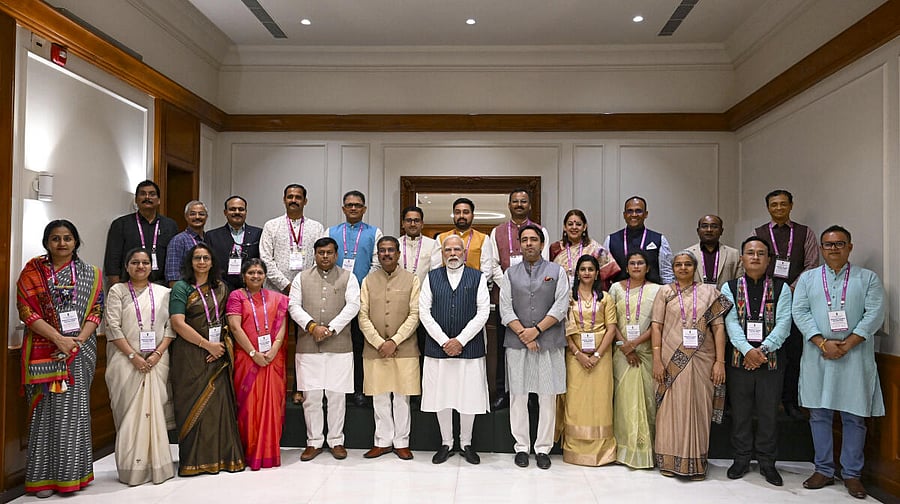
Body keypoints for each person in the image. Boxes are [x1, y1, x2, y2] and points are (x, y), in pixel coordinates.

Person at [792, 225, 885, 500]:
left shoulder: (867, 278)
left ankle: (852, 474)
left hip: (854, 355)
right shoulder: (808, 279)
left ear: (850, 247)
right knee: (819, 414)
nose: (833, 248)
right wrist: (822, 342)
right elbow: (800, 311)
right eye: (828, 245)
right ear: (821, 249)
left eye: (839, 243)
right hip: (817, 353)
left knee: (854, 416)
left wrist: (851, 342)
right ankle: (823, 468)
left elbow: (875, 313)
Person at [16, 220, 104, 498]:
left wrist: (76, 340)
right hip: (44, 351)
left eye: (68, 238)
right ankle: (42, 480)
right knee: (44, 415)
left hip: (80, 351)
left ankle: (72, 477)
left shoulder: (90, 273)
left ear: (76, 242)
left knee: (74, 414)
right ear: (47, 242)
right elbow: (26, 311)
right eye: (56, 238)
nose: (62, 243)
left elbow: (96, 311)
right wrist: (59, 339)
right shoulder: (33, 272)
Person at [651, 250, 731, 480]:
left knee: (699, 408)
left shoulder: (709, 292)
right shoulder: (664, 292)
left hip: (702, 359)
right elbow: (656, 326)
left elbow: (718, 328)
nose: (683, 268)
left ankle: (696, 462)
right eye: (678, 264)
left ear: (695, 268)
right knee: (669, 409)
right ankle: (668, 459)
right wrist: (657, 360)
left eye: (687, 264)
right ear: (673, 268)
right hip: (670, 359)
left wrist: (720, 361)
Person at [168, 243, 245, 476]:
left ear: (213, 262)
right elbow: (177, 323)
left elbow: (227, 320)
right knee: (191, 407)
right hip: (190, 355)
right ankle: (193, 461)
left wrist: (220, 346)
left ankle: (223, 458)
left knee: (219, 407)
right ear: (190, 262)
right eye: (197, 258)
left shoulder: (221, 287)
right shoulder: (181, 288)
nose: (201, 262)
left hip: (218, 353)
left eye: (206, 258)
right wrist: (206, 344)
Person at [721, 237, 792, 486]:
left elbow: (784, 323)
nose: (755, 257)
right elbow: (730, 323)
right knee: (740, 412)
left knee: (768, 413)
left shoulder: (782, 288)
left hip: (771, 362)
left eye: (761, 253)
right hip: (739, 361)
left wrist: (761, 350)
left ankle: (767, 462)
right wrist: (746, 351)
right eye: (750, 253)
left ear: (769, 259)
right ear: (741, 258)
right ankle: (740, 459)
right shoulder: (729, 287)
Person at [105, 248, 175, 486]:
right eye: (135, 262)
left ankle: (157, 467)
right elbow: (113, 327)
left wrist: (156, 354)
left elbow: (170, 328)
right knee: (128, 415)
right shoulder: (118, 291)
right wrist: (133, 356)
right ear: (127, 267)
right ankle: (130, 471)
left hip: (157, 361)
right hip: (125, 362)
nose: (140, 266)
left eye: (145, 262)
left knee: (153, 414)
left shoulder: (164, 293)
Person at [500, 224, 569, 470]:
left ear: (541, 243)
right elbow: (505, 309)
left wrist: (536, 331)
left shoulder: (557, 271)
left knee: (547, 397)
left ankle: (542, 448)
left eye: (534, 239)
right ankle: (521, 447)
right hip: (517, 344)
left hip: (548, 343)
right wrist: (524, 334)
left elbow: (561, 307)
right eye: (525, 239)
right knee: (518, 397)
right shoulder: (509, 273)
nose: (529, 243)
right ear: (520, 244)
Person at [419, 234, 490, 465]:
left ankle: (466, 442)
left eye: (457, 250)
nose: (452, 254)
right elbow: (424, 312)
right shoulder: (431, 278)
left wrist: (460, 340)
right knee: (442, 396)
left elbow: (483, 312)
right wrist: (443, 341)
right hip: (438, 349)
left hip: (469, 348)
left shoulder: (477, 277)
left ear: (464, 253)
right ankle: (446, 442)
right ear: (442, 253)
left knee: (468, 396)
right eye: (448, 250)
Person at [288, 237, 361, 462]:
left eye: (329, 252)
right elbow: (293, 305)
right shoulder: (301, 278)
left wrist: (330, 328)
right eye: (321, 253)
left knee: (336, 395)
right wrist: (312, 326)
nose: (325, 257)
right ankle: (314, 441)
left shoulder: (349, 277)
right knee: (312, 396)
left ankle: (336, 440)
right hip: (308, 345)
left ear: (336, 254)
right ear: (315, 254)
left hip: (339, 344)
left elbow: (354, 305)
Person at [754, 189, 819, 418]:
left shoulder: (805, 233)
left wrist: (791, 289)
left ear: (791, 205)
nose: (779, 208)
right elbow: (755, 263)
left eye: (783, 204)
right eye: (774, 205)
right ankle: (766, 402)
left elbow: (812, 264)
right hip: (766, 300)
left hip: (798, 299)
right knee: (768, 349)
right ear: (768, 208)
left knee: (793, 352)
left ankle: (790, 401)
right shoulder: (760, 233)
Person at [259, 184, 325, 405]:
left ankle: (300, 387)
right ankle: (274, 387)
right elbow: (265, 259)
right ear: (284, 199)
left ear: (305, 201)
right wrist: (286, 285)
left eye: (298, 197)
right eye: (290, 197)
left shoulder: (316, 228)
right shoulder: (272, 226)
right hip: (275, 293)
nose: (294, 200)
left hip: (306, 294)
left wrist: (300, 287)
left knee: (304, 344)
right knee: (276, 340)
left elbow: (321, 257)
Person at [359, 236, 421, 461]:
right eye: (382, 251)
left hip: (404, 348)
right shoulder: (368, 280)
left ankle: (402, 442)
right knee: (380, 396)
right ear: (378, 254)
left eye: (391, 250)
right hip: (374, 348)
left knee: (402, 397)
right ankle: (382, 441)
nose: (387, 254)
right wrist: (379, 342)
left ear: (398, 254)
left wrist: (394, 341)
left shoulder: (412, 280)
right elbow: (362, 314)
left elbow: (415, 314)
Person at [488, 189, 550, 409]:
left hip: (536, 301)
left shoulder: (540, 231)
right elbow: (492, 264)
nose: (519, 204)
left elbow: (546, 264)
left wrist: (528, 284)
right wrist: (510, 283)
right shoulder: (497, 232)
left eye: (524, 201)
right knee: (504, 348)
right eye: (515, 201)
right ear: (509, 205)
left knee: (534, 346)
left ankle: (533, 395)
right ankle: (503, 392)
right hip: (505, 298)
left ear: (530, 205)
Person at [226, 259, 289, 471]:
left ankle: (269, 452)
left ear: (265, 276)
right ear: (243, 275)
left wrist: (272, 351)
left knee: (271, 404)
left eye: (259, 272)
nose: (255, 276)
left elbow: (281, 326)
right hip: (247, 359)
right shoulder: (236, 297)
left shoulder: (277, 298)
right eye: (251, 272)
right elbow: (235, 327)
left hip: (272, 359)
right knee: (249, 406)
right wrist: (254, 353)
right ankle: (250, 452)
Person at [558, 254, 618, 466]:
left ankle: (603, 451)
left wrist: (598, 355)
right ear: (577, 273)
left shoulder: (605, 297)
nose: (586, 273)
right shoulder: (569, 298)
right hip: (575, 356)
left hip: (602, 357)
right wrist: (578, 354)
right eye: (582, 269)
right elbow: (564, 329)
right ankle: (575, 449)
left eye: (590, 269)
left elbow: (611, 329)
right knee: (576, 401)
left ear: (597, 273)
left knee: (600, 401)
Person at [328, 190, 381, 406]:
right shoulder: (331, 231)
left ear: (364, 209)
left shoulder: (374, 232)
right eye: (349, 205)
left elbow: (376, 263)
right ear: (343, 208)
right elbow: (325, 261)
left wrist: (358, 289)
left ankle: (359, 389)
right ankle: (335, 389)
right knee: (336, 345)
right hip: (335, 297)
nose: (353, 208)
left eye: (357, 205)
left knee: (359, 346)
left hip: (362, 298)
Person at [609, 251, 661, 469]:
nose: (637, 266)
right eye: (632, 263)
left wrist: (636, 343)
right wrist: (625, 347)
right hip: (622, 355)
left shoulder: (657, 290)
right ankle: (623, 449)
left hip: (646, 354)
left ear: (648, 267)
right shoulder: (615, 289)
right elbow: (611, 322)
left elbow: (658, 324)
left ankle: (645, 450)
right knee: (623, 403)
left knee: (647, 402)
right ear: (626, 267)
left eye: (641, 263)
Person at [104, 180, 178, 286]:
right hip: (129, 286)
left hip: (161, 287)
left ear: (159, 200)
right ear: (136, 200)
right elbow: (112, 261)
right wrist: (116, 290)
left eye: (152, 194)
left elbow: (175, 261)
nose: (147, 197)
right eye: (143, 194)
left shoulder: (170, 225)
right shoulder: (121, 224)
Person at [399, 205, 441, 360]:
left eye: (416, 220)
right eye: (408, 220)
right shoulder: (395, 245)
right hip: (400, 303)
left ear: (422, 223)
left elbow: (435, 274)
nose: (412, 224)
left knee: (423, 347)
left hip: (425, 304)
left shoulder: (433, 244)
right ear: (403, 223)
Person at [604, 196, 674, 285]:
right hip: (620, 294)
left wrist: (667, 296)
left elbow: (667, 275)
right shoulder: (611, 240)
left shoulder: (659, 240)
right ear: (624, 215)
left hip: (653, 296)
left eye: (638, 211)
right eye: (630, 211)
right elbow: (605, 275)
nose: (634, 214)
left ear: (646, 214)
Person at [549, 209, 620, 289]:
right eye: (570, 224)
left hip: (589, 296)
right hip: (561, 295)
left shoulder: (596, 249)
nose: (574, 227)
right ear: (565, 227)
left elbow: (606, 277)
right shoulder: (555, 248)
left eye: (578, 224)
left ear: (584, 227)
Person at [206, 195, 262, 291]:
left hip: (251, 288)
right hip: (221, 290)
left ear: (246, 212)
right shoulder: (212, 236)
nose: (237, 212)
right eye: (232, 209)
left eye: (241, 209)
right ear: (225, 212)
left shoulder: (258, 234)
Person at [436, 197, 492, 278]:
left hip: (474, 286)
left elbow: (487, 271)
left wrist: (475, 285)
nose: (461, 216)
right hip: (446, 286)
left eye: (466, 212)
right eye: (457, 212)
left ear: (472, 215)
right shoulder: (441, 238)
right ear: (453, 215)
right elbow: (436, 267)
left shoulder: (483, 239)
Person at [686, 215, 743, 288]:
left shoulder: (734, 254)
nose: (709, 230)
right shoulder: (688, 254)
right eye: (704, 226)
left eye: (714, 226)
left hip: (724, 297)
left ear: (721, 231)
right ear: (698, 231)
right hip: (695, 298)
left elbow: (739, 283)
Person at [165, 200, 209, 286]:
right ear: (186, 216)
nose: (197, 217)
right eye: (192, 214)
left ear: (206, 217)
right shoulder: (178, 240)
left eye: (201, 214)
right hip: (187, 292)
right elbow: (173, 276)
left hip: (208, 291)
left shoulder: (209, 239)